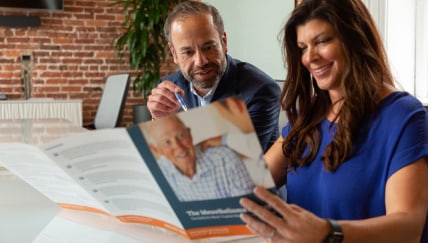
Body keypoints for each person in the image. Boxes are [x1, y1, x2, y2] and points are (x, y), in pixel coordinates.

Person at [238, 0, 428, 242]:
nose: (310, 58)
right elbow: (252, 181)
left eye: (322, 41)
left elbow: (409, 226)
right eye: (303, 47)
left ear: (354, 39)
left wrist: (329, 233)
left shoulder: (403, 115)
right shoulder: (308, 116)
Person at [146, 0, 281, 153]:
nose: (200, 61)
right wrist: (159, 121)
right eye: (188, 52)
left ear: (223, 43)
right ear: (174, 54)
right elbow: (159, 159)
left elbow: (235, 163)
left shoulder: (260, 91)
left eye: (208, 47)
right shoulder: (169, 87)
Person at [142, 114, 255, 202]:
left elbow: (249, 208)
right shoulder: (158, 172)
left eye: (181, 136)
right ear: (156, 149)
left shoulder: (224, 158)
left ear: (189, 134)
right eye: (167, 142)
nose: (179, 148)